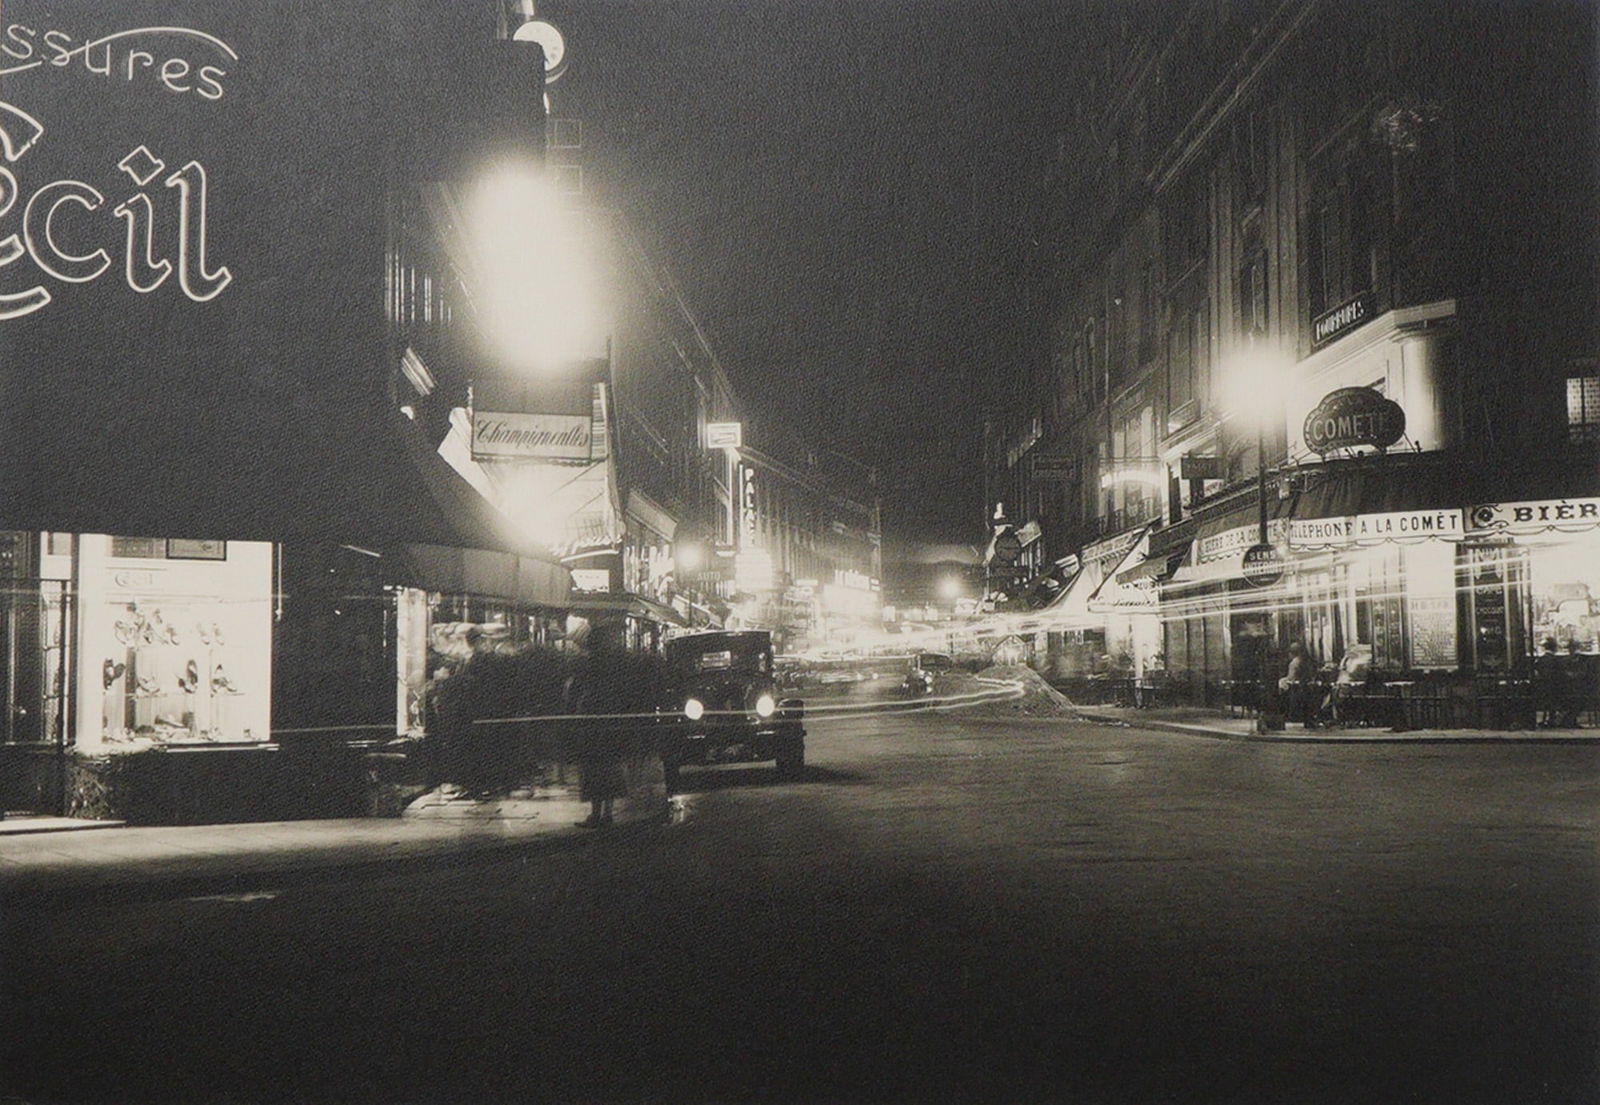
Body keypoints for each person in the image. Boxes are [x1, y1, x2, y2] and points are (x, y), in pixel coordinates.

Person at [1280, 641, 1317, 727]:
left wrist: (1282, 680)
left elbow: (1291, 677)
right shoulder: (1306, 660)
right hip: (1306, 685)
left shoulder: (1294, 662)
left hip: (1296, 687)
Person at [1559, 639, 1589, 728]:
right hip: (1567, 688)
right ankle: (1569, 720)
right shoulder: (1565, 660)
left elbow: (1584, 672)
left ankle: (1569, 720)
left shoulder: (1582, 660)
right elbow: (1562, 673)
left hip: (1578, 687)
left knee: (1581, 700)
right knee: (1577, 700)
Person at [1534, 637, 1563, 728]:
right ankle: (1553, 719)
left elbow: (1537, 672)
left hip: (1543, 687)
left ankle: (1548, 719)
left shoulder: (1541, 659)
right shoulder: (1556, 660)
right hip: (1555, 687)